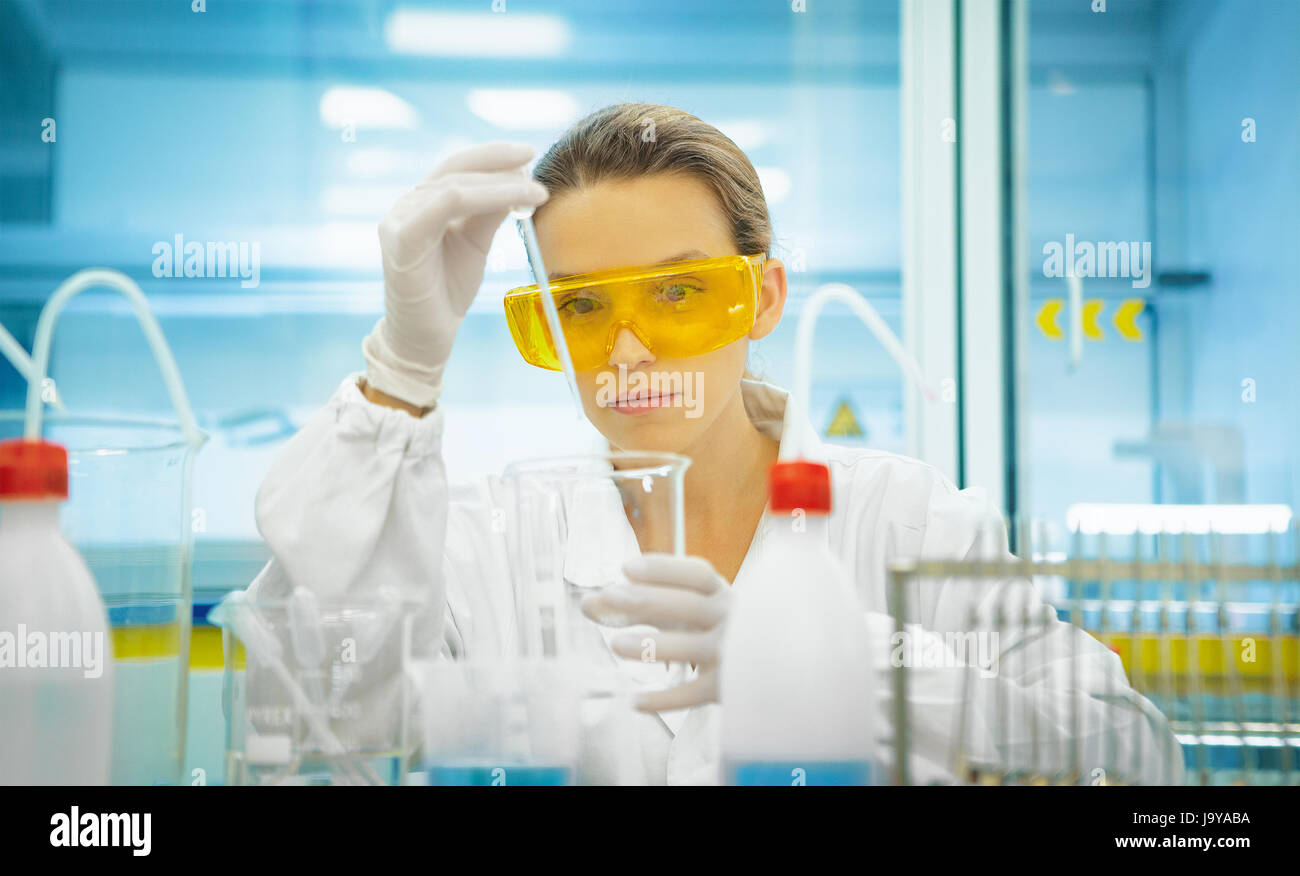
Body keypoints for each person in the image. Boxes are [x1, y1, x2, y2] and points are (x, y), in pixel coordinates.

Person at [246, 103, 1182, 785]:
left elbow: (1134, 764)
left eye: (679, 292)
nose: (627, 350)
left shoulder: (910, 521)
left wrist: (823, 665)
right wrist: (399, 376)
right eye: (581, 306)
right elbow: (313, 720)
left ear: (763, 298)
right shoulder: (492, 539)